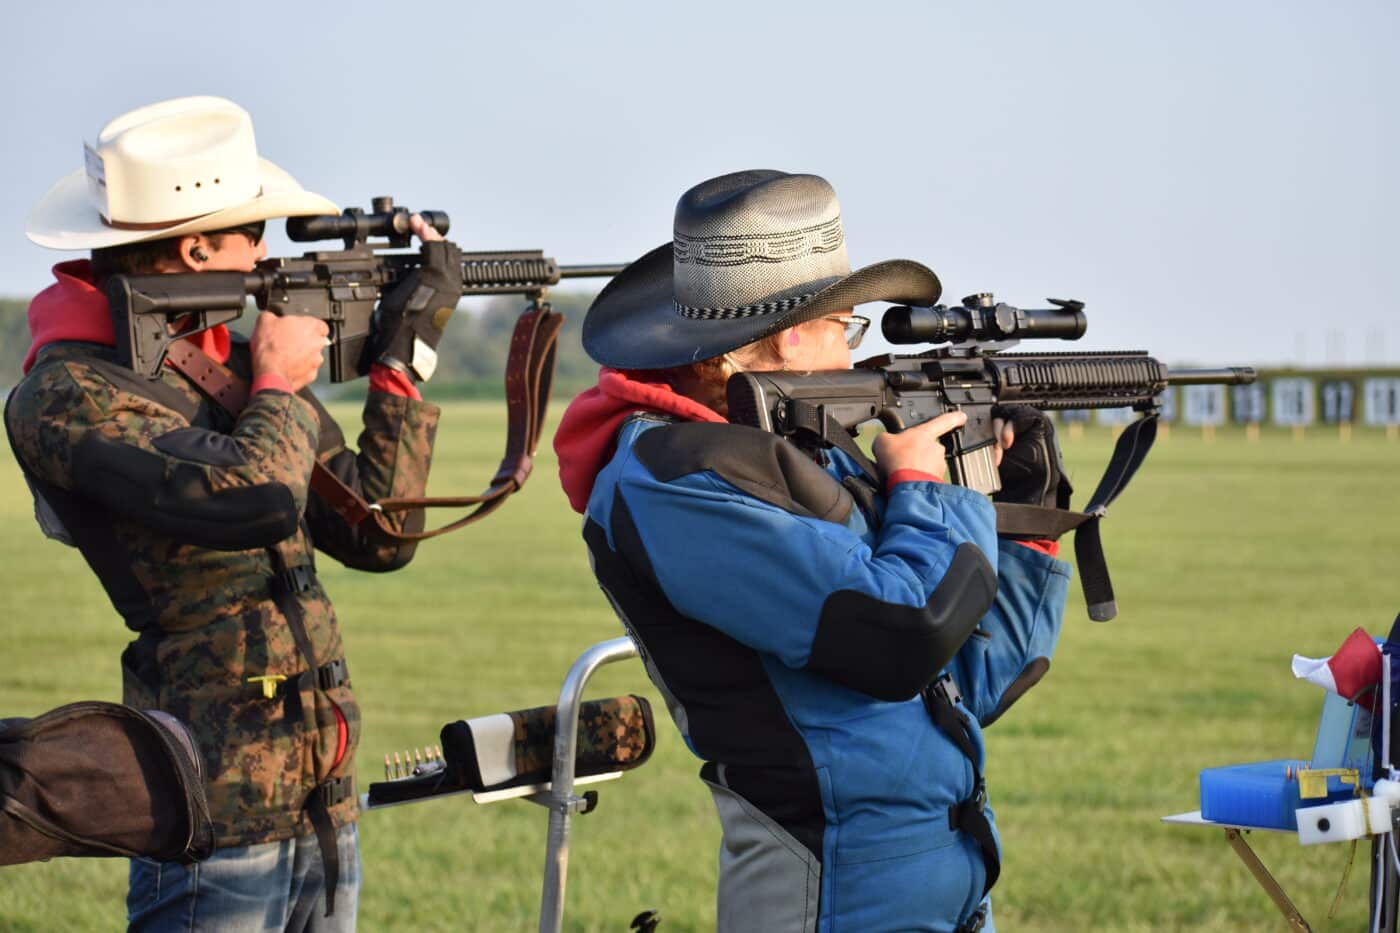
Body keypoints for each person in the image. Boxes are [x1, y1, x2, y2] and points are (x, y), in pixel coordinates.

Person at [554, 170, 1072, 932]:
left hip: (937, 886)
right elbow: (904, 635)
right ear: (793, 337)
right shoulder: (674, 478)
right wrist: (933, 490)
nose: (853, 351)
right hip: (836, 893)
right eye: (848, 326)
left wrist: (1025, 519)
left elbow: (972, 674)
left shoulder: (799, 455)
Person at [8, 96, 461, 931]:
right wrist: (281, 382)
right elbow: (253, 499)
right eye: (253, 233)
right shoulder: (69, 395)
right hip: (212, 816)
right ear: (195, 249)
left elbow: (375, 531)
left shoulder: (225, 366)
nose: (265, 254)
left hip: (319, 799)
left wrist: (403, 363)